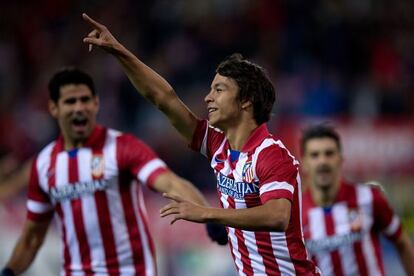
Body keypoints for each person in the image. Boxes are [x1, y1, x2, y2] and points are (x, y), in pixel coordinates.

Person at [82, 13, 320, 275]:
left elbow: (277, 216)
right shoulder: (218, 145)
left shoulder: (272, 155)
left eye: (219, 90)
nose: (208, 98)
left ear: (246, 100)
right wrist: (120, 52)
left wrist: (208, 213)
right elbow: (164, 99)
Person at [0, 68, 209, 276]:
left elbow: (172, 183)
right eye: (70, 102)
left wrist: (208, 218)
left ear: (96, 104)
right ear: (54, 108)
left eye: (85, 100)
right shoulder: (43, 164)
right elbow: (32, 239)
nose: (79, 108)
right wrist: (9, 271)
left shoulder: (122, 147)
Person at [300, 124, 414, 276]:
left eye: (329, 154)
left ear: (340, 159)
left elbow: (402, 242)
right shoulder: (296, 213)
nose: (323, 162)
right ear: (305, 163)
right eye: (315, 155)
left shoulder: (369, 198)